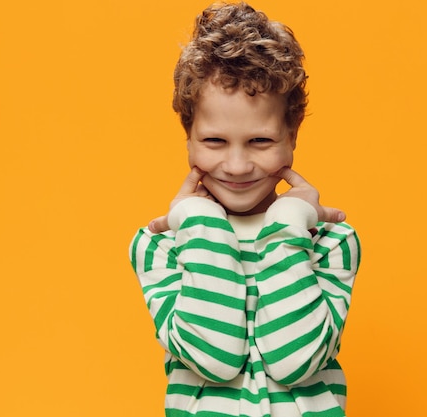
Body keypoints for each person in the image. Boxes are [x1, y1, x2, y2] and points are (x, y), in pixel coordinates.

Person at [129, 2, 361, 416]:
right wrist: (200, 225)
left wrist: (289, 225)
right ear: (188, 137)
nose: (236, 166)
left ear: (292, 137)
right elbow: (214, 358)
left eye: (260, 142)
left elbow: (295, 362)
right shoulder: (161, 245)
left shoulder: (330, 241)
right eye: (215, 142)